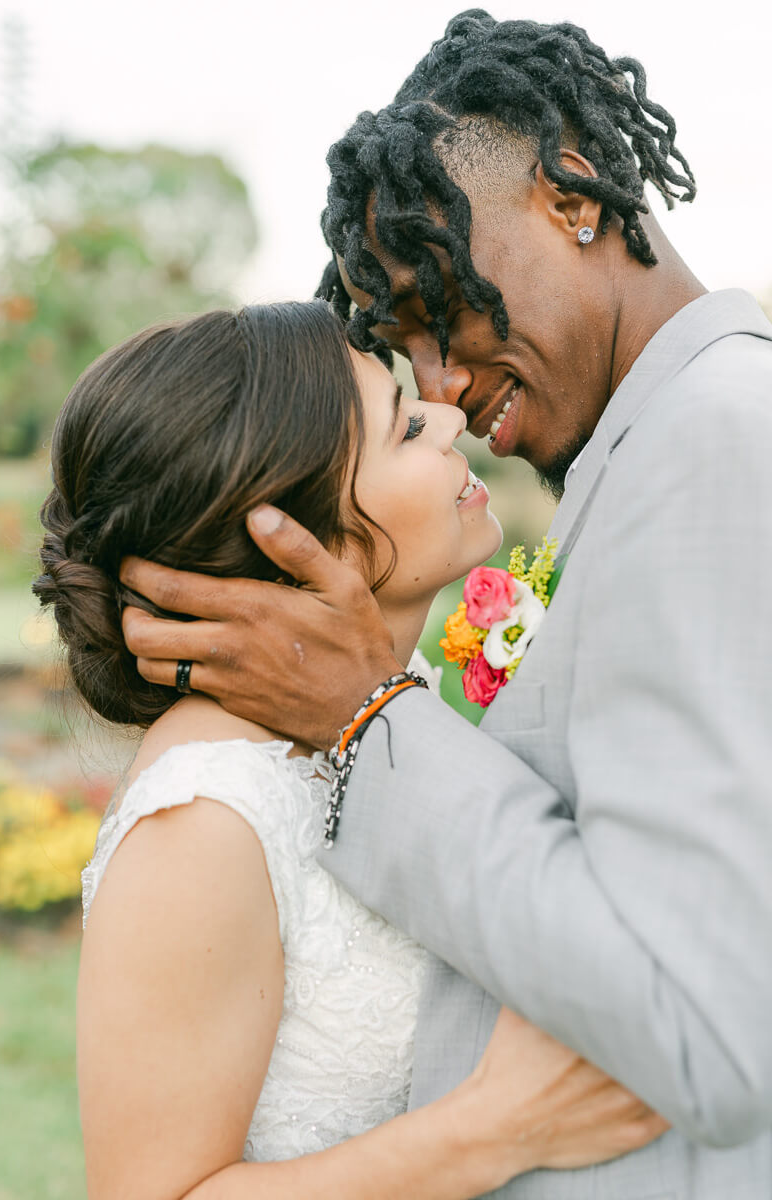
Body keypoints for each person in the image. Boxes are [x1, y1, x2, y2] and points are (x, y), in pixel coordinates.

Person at [120, 13, 772, 1200]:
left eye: (440, 312)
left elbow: (705, 1027)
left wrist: (369, 719)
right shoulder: (640, 456)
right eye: (400, 352)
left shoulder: (711, 440)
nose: (441, 390)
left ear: (570, 194)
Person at [34, 302, 663, 1199]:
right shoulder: (207, 817)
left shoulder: (390, 704)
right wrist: (494, 1132)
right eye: (405, 427)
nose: (449, 416)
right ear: (287, 535)